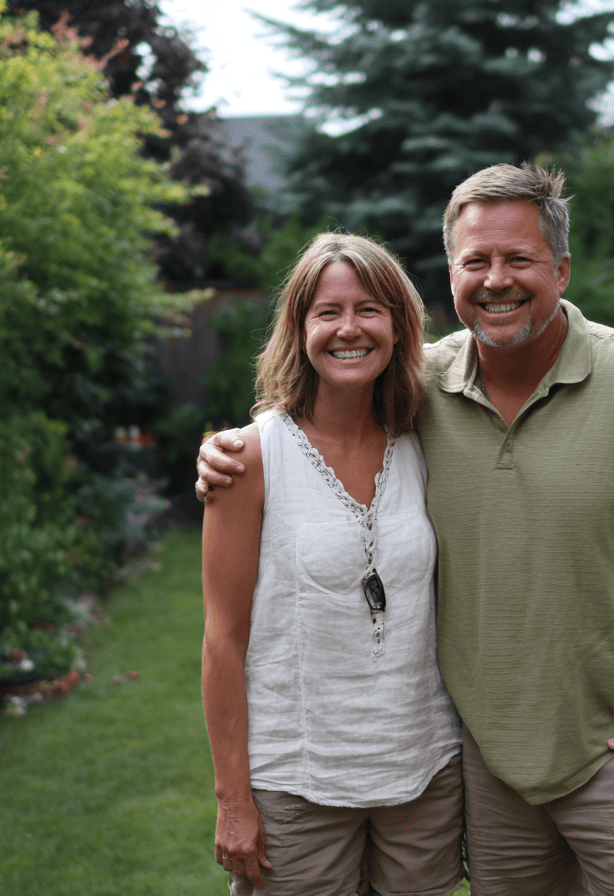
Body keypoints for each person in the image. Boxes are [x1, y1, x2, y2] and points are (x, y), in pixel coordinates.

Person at [198, 164, 614, 895]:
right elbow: (318, 413)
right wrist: (227, 450)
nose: (496, 279)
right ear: (451, 274)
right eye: (477, 261)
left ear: (561, 268)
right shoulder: (421, 389)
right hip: (491, 778)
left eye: (519, 259)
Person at [200, 232, 463, 896]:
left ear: (400, 328)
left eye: (370, 309)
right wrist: (234, 800)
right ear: (300, 328)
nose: (349, 328)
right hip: (299, 781)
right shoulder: (248, 459)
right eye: (328, 311)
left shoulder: (428, 438)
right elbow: (222, 640)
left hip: (424, 775)